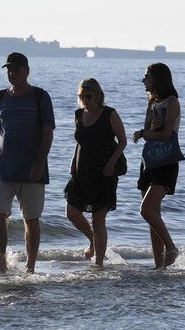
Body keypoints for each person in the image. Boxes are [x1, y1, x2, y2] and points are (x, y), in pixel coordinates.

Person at [0, 52, 55, 273]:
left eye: (16, 69)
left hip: (32, 170)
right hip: (1, 168)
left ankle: (30, 266)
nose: (12, 74)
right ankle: (1, 259)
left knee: (31, 219)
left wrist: (40, 163)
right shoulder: (0, 97)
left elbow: (48, 132)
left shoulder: (40, 97)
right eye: (9, 70)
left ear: (27, 71)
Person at [64, 78, 127, 267]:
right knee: (72, 212)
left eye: (89, 96)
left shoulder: (109, 114)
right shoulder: (78, 114)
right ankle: (93, 240)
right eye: (81, 96)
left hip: (105, 172)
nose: (85, 100)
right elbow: (80, 141)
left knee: (98, 218)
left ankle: (99, 263)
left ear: (98, 95)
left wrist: (111, 163)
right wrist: (73, 163)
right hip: (81, 171)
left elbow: (122, 141)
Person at [133, 62, 181, 269]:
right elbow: (149, 133)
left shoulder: (172, 102)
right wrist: (146, 132)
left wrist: (145, 133)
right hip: (149, 161)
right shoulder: (152, 103)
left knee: (146, 209)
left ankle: (171, 248)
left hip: (167, 161)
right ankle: (158, 266)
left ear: (157, 78)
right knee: (154, 216)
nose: (143, 80)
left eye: (146, 76)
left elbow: (165, 134)